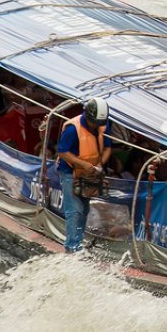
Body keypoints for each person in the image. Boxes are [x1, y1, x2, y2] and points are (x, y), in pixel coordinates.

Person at [57, 98, 113, 252]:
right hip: (71, 172)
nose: (97, 126)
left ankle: (78, 242)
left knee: (84, 209)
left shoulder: (103, 126)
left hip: (91, 173)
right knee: (74, 209)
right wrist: (83, 165)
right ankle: (72, 247)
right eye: (94, 122)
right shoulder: (73, 129)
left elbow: (108, 148)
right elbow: (62, 152)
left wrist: (100, 165)